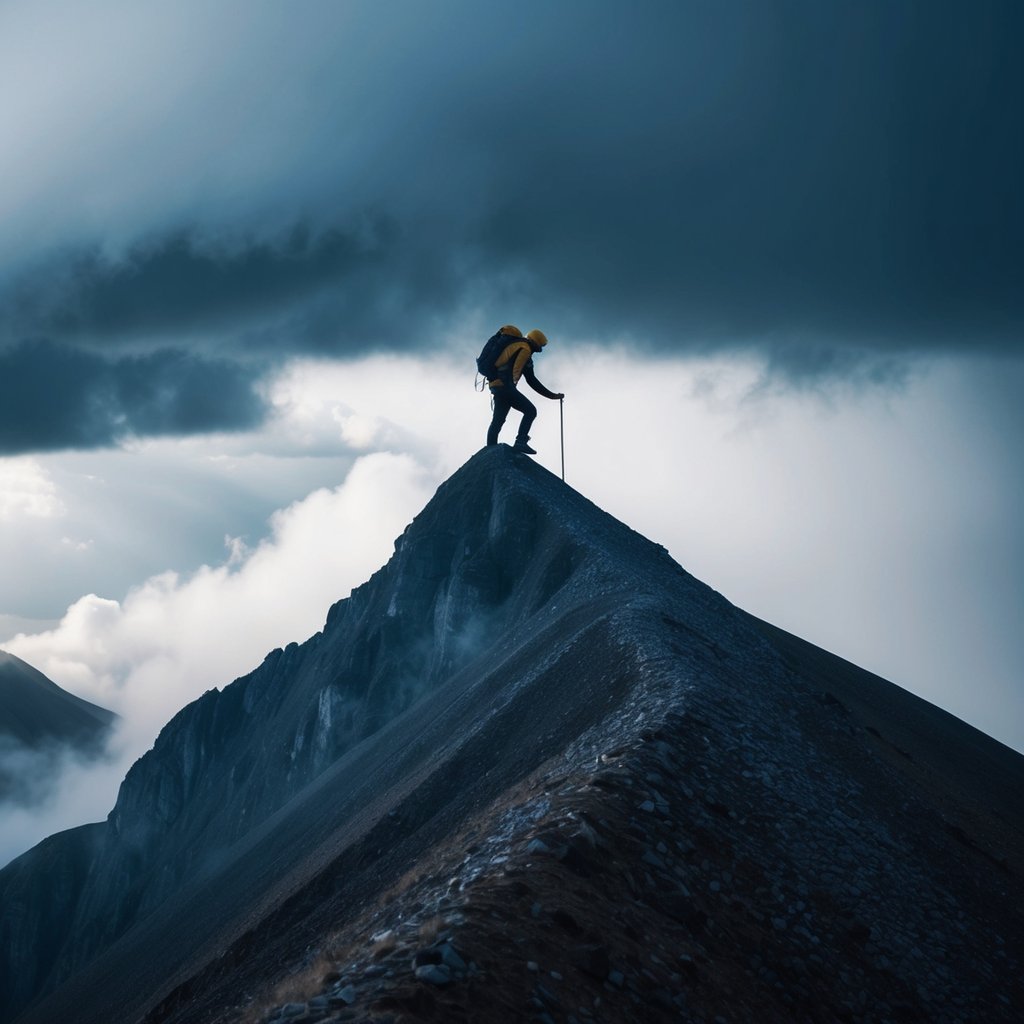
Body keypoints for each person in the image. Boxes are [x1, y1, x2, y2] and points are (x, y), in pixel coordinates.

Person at [486, 325, 563, 454]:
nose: (541, 349)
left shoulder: (519, 347)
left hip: (496, 386)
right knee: (530, 411)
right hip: (505, 387)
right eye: (541, 345)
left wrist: (552, 396)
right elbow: (529, 379)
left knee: (498, 420)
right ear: (536, 342)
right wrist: (552, 396)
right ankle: (520, 442)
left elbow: (529, 379)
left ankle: (489, 450)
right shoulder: (525, 349)